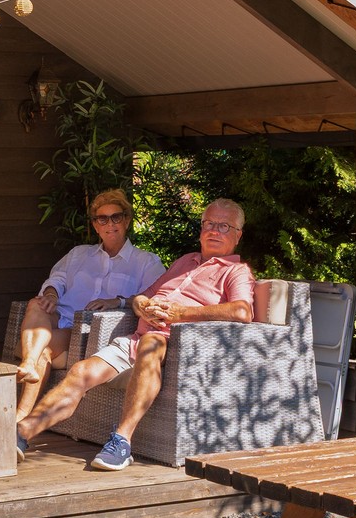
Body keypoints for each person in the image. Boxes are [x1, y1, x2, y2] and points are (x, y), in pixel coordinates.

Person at [17, 199, 254, 471]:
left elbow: (242, 311)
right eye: (209, 223)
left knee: (151, 343)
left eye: (224, 226)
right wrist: (142, 305)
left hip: (174, 343)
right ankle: (22, 432)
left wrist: (181, 314)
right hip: (137, 338)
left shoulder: (236, 271)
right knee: (81, 372)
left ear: (238, 235)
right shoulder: (184, 262)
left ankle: (122, 441)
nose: (214, 231)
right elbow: (143, 296)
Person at [13, 189, 164, 418]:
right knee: (37, 303)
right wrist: (51, 294)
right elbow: (57, 279)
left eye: (116, 217)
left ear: (126, 221)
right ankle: (30, 362)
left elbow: (153, 298)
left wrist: (118, 301)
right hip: (58, 316)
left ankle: (21, 413)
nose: (109, 224)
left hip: (83, 329)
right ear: (95, 225)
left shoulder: (146, 261)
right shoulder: (79, 254)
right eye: (102, 219)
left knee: (44, 350)